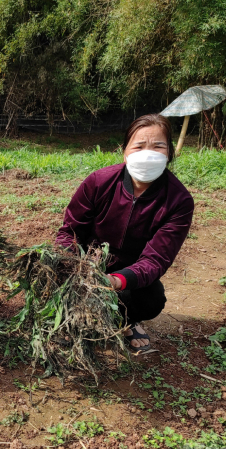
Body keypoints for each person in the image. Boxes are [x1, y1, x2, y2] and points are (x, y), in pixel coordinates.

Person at [55, 114, 194, 352]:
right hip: (87, 264)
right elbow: (69, 233)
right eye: (139, 146)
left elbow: (156, 259)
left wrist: (116, 280)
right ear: (125, 151)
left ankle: (126, 321)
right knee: (53, 275)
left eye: (158, 146)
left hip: (129, 274)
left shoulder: (178, 200)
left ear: (169, 153)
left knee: (151, 300)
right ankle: (73, 318)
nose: (147, 154)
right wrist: (79, 268)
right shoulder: (99, 182)